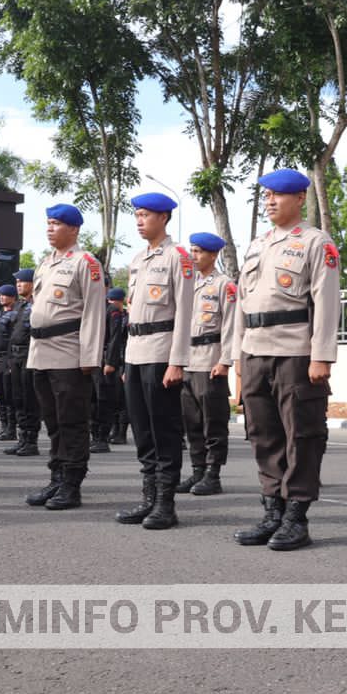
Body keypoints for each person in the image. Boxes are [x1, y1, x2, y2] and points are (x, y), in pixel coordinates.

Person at [230, 169, 341, 551]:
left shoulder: (316, 242)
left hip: (296, 352)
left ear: (300, 200)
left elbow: (327, 303)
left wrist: (321, 356)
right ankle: (271, 512)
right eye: (267, 196)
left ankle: (296, 517)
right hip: (255, 349)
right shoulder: (256, 245)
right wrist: (238, 357)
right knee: (263, 435)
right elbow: (242, 306)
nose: (271, 201)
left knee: (303, 436)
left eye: (279, 195)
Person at [115, 193, 196, 530]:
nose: (138, 220)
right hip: (136, 352)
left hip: (162, 352)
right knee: (142, 429)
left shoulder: (179, 257)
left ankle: (166, 503)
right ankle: (148, 496)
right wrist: (124, 361)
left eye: (145, 214)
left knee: (164, 429)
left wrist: (177, 362)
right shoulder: (137, 260)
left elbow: (186, 312)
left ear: (163, 218)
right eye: (136, 215)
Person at [24, 204, 108, 510]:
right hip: (42, 353)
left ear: (73, 229)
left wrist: (90, 358)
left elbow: (94, 313)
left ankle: (72, 485)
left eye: (56, 223)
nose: (49, 228)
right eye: (48, 223)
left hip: (70, 354)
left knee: (72, 422)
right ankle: (56, 478)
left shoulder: (86, 263)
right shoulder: (45, 264)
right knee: (53, 421)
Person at [179, 232, 238, 497]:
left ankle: (213, 475)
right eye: (191, 251)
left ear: (212, 255)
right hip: (187, 360)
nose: (193, 256)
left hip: (210, 360)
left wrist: (225, 361)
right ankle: (198, 471)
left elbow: (231, 325)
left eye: (199, 252)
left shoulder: (225, 285)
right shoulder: (185, 284)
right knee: (191, 422)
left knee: (212, 423)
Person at [8, 267, 40, 456]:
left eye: (22, 281)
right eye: (17, 282)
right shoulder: (19, 306)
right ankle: (22, 439)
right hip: (16, 357)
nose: (18, 284)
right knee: (18, 399)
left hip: (30, 356)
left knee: (30, 400)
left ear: (32, 283)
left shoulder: (38, 304)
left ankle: (31, 441)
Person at [95, 288, 128, 452]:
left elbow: (116, 339)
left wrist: (111, 362)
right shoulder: (97, 308)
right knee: (96, 399)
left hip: (112, 358)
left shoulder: (114, 311)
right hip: (98, 357)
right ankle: (97, 436)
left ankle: (108, 435)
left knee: (109, 399)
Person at [0, 284, 21, 445]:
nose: (1, 297)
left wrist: (10, 360)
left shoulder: (15, 314)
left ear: (12, 296)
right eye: (0, 295)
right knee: (0, 395)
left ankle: (11, 429)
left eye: (5, 295)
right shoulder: (1, 314)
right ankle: (3, 426)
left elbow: (13, 339)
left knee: (9, 395)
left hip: (6, 359)